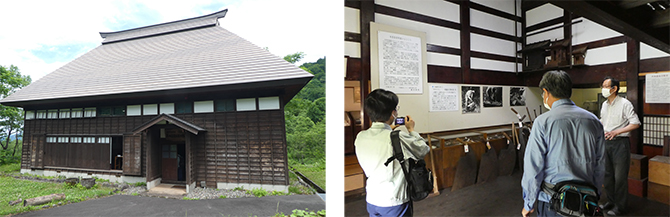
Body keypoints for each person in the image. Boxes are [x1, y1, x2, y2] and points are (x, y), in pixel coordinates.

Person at [521, 70, 605, 217]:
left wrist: (529, 202)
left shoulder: (542, 122)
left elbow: (533, 167)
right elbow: (600, 164)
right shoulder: (594, 121)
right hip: (586, 200)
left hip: (553, 202)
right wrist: (594, 195)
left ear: (546, 92)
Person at [355, 89, 430, 217]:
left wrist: (389, 129)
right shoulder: (397, 137)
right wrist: (411, 130)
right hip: (394, 200)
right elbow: (422, 149)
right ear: (392, 114)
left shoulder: (361, 136)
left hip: (372, 198)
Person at [599, 76, 641, 216]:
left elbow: (635, 123)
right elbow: (603, 122)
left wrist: (617, 131)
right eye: (603, 86)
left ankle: (621, 207)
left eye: (606, 86)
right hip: (606, 142)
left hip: (620, 144)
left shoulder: (625, 103)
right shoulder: (604, 105)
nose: (603, 88)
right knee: (607, 175)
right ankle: (611, 201)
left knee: (620, 177)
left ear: (614, 88)